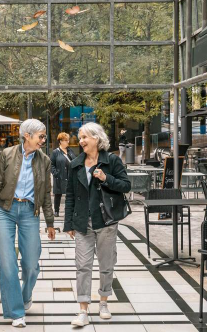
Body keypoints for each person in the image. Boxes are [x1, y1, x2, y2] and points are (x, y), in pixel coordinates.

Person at [0, 119, 56, 328]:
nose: (43, 140)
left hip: (30, 212)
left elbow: (47, 194)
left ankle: (25, 295)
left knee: (31, 264)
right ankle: (16, 312)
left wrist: (50, 222)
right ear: (27, 136)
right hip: (6, 210)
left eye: (44, 136)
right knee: (7, 262)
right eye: (40, 136)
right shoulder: (8, 154)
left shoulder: (45, 160)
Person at [64, 122, 131, 327]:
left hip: (106, 221)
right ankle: (83, 308)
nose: (81, 141)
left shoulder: (111, 161)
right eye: (80, 137)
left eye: (84, 137)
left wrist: (106, 178)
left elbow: (126, 185)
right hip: (83, 223)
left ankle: (103, 302)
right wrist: (69, 224)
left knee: (106, 264)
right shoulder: (75, 164)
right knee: (82, 266)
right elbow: (70, 196)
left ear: (96, 138)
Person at [50, 132, 75, 217]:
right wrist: (55, 173)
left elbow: (74, 161)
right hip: (59, 176)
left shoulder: (70, 151)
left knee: (70, 194)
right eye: (66, 140)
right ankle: (56, 210)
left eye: (68, 140)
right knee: (58, 194)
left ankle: (70, 210)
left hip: (69, 175)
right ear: (60, 141)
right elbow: (51, 164)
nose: (68, 142)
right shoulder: (55, 152)